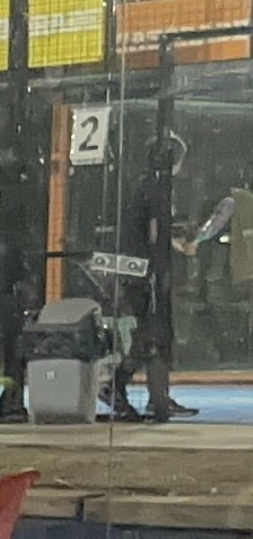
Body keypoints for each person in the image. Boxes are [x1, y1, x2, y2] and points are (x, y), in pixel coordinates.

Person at [110, 136, 199, 424]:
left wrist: (176, 245)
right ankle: (119, 386)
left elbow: (151, 233)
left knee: (153, 335)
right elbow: (153, 236)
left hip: (140, 271)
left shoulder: (144, 187)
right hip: (146, 275)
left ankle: (156, 397)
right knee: (153, 335)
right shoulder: (156, 190)